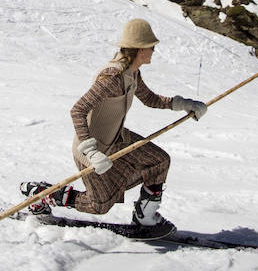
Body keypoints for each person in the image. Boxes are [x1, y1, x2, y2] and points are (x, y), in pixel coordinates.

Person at [20, 18, 207, 231]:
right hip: (92, 148)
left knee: (159, 161)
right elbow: (78, 110)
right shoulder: (112, 77)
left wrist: (185, 104)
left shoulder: (132, 72)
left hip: (118, 140)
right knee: (99, 205)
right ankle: (43, 195)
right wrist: (91, 151)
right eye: (152, 47)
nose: (154, 51)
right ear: (140, 49)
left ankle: (145, 217)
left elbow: (150, 99)